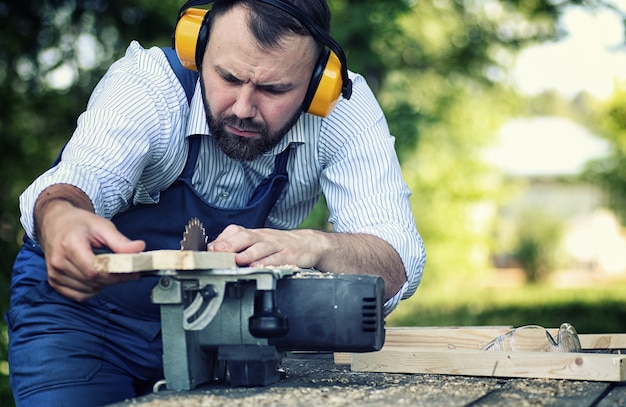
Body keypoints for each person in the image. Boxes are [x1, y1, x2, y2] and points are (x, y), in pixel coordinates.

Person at [6, 0, 425, 405]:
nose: (243, 108)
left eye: (274, 89)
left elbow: (396, 263)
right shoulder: (149, 86)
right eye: (228, 78)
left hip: (219, 331)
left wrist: (317, 245)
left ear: (318, 85)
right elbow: (79, 177)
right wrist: (62, 215)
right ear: (197, 50)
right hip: (78, 319)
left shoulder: (341, 111)